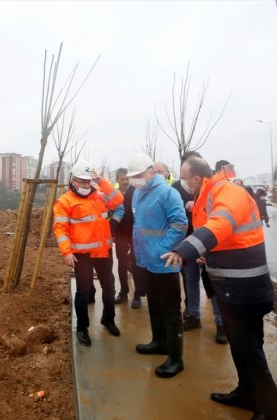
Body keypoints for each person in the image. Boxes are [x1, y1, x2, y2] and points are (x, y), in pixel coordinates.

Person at [165, 157, 277, 420]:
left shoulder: (227, 192)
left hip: (246, 290)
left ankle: (270, 412)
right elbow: (225, 238)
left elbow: (221, 225)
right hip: (231, 289)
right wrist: (209, 254)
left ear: (196, 179)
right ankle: (246, 392)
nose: (182, 183)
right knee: (240, 346)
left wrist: (185, 250)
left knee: (250, 350)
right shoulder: (208, 194)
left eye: (184, 178)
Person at [127, 153, 188, 378]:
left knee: (171, 311)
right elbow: (139, 226)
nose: (135, 180)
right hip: (145, 261)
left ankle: (176, 358)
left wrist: (162, 250)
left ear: (151, 171)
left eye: (139, 175)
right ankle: (159, 342)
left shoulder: (167, 193)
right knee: (154, 304)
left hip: (164, 263)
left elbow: (180, 224)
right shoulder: (138, 194)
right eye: (132, 176)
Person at [53, 160, 124, 346]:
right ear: (73, 180)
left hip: (103, 252)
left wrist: (100, 180)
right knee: (83, 293)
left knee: (109, 287)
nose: (85, 185)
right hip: (81, 255)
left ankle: (108, 319)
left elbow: (118, 200)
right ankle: (82, 328)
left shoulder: (100, 196)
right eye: (81, 181)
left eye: (88, 181)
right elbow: (60, 229)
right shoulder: (64, 202)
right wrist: (66, 252)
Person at [172, 152, 227, 344]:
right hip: (190, 244)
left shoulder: (213, 191)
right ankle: (193, 316)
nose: (185, 182)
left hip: (209, 247)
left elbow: (218, 225)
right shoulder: (183, 188)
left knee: (212, 285)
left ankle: (221, 324)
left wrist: (207, 251)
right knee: (191, 280)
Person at [111, 168, 146, 308]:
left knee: (136, 262)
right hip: (120, 233)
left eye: (127, 179)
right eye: (122, 179)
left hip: (134, 232)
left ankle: (137, 295)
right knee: (121, 262)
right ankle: (123, 292)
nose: (125, 181)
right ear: (117, 180)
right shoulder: (115, 194)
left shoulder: (136, 192)